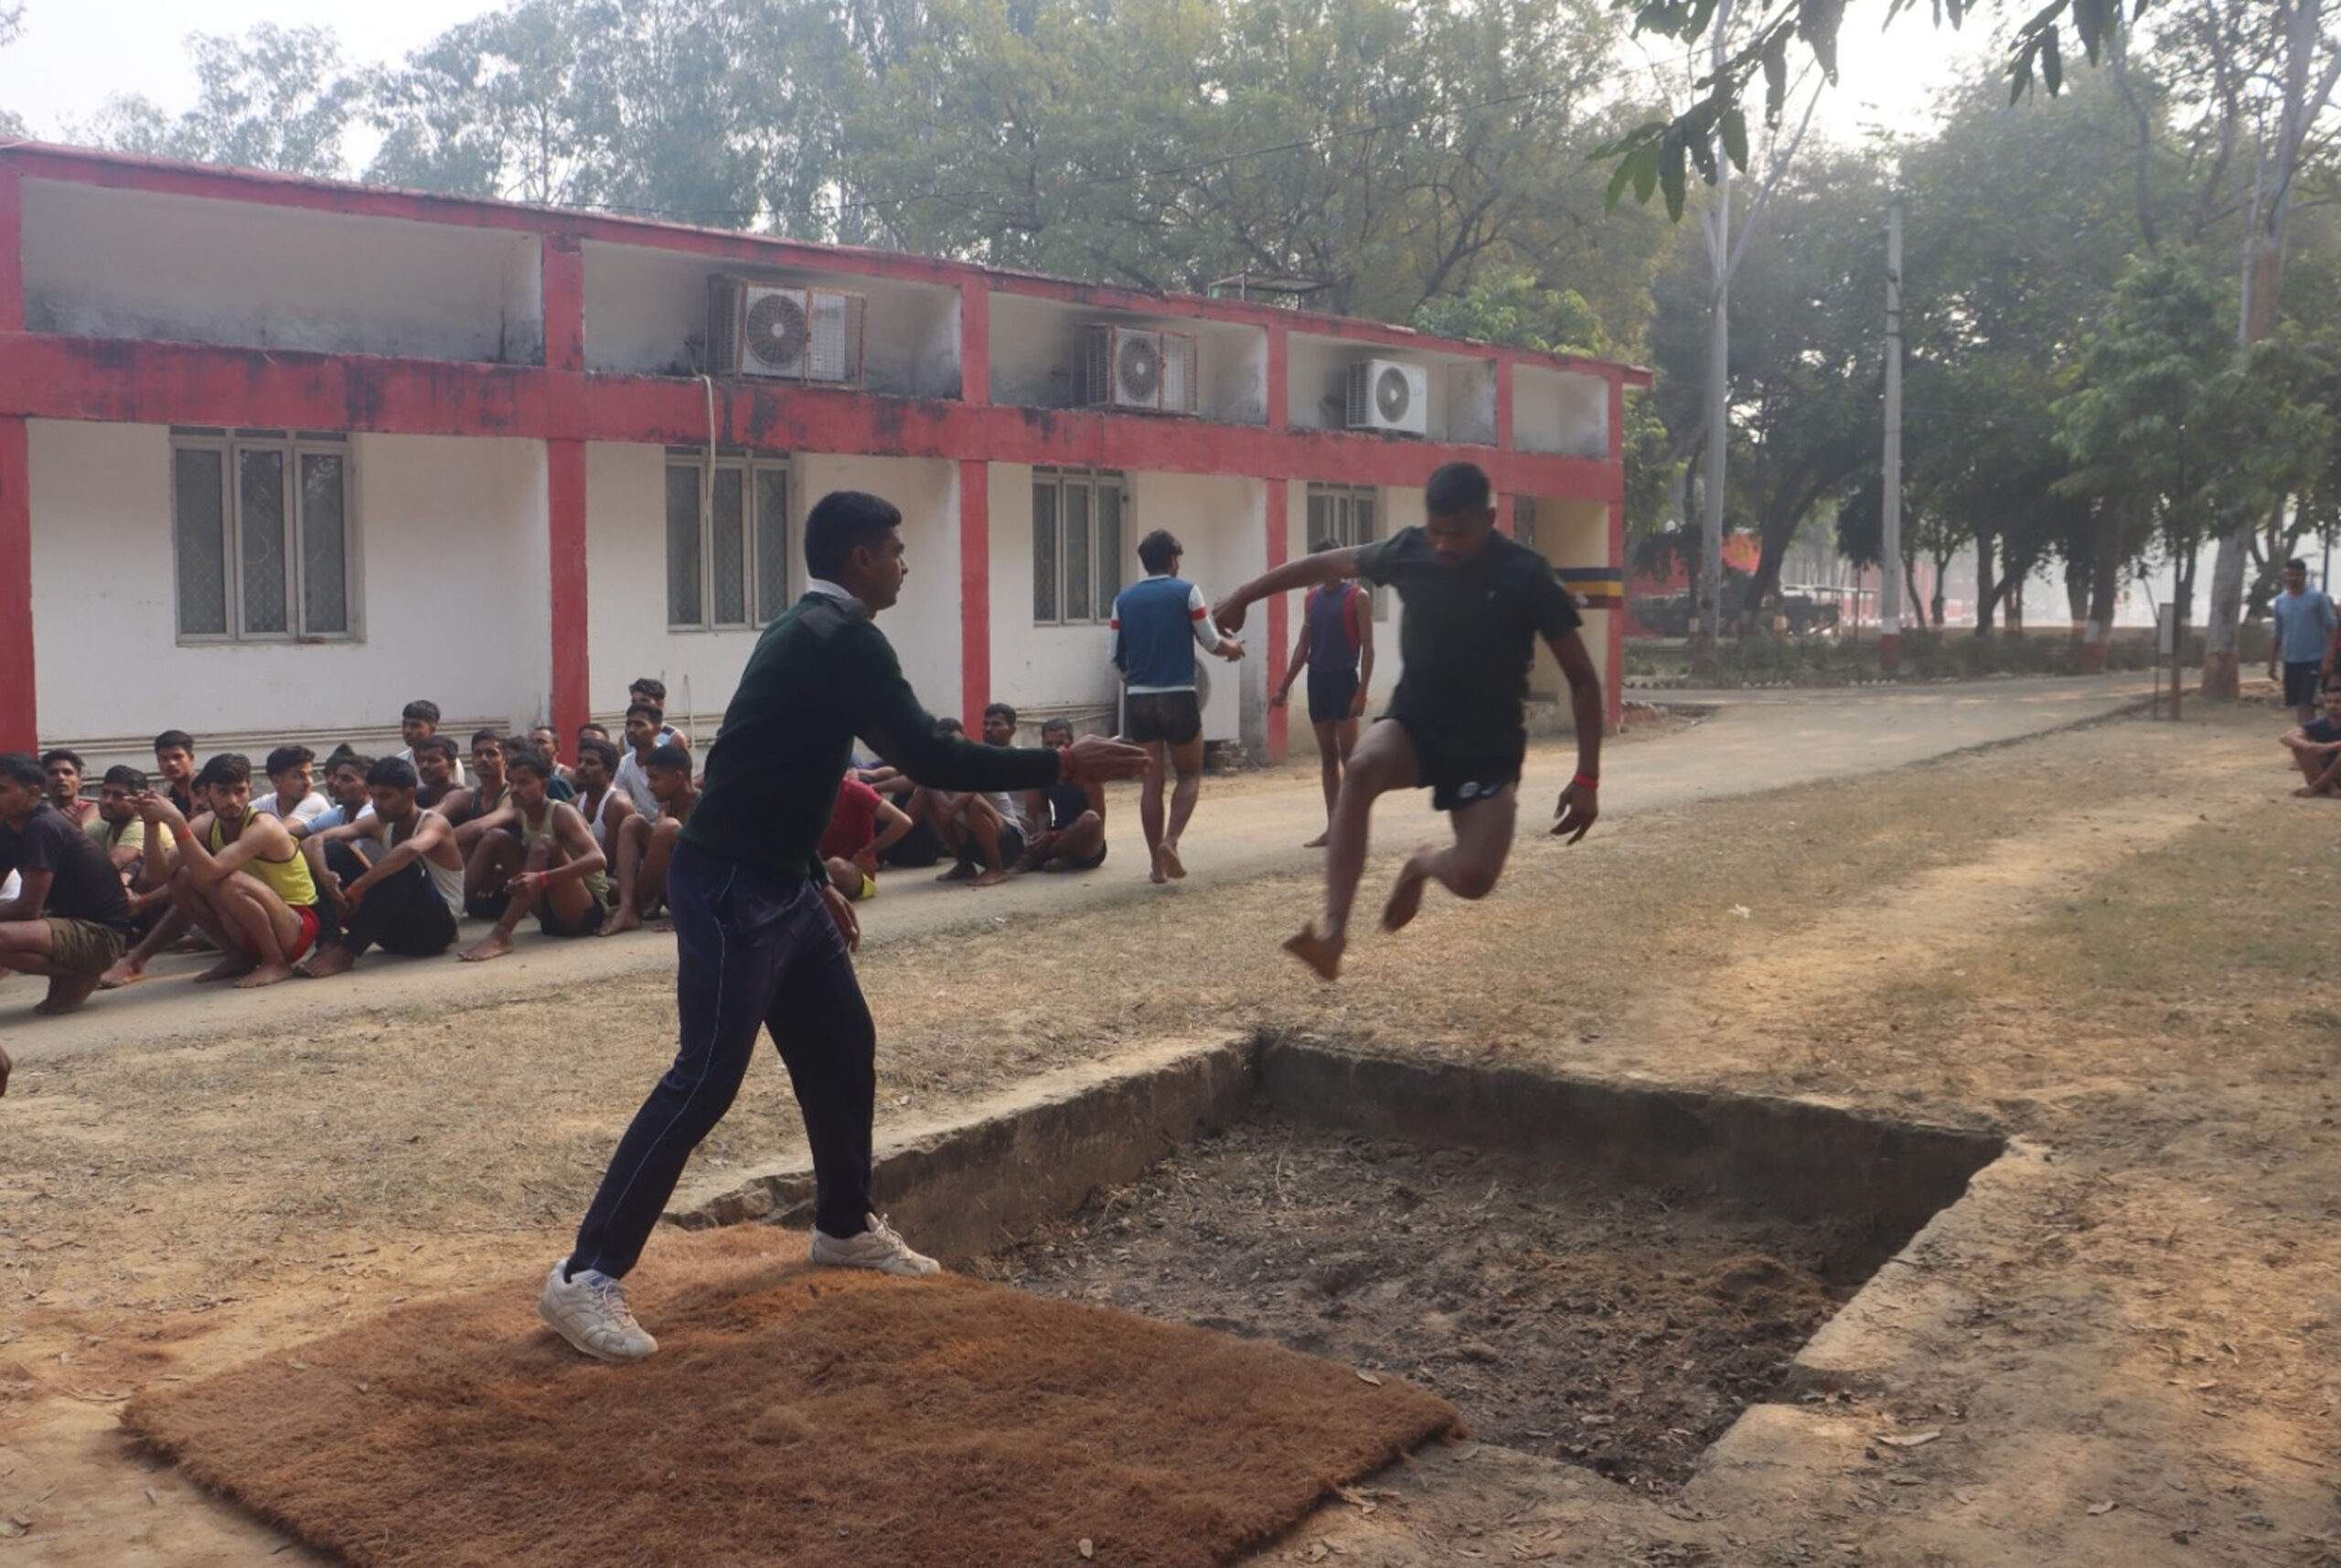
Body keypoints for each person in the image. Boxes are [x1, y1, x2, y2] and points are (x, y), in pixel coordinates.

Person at [538, 489, 1148, 1363]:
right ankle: (585, 1274)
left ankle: (844, 1223)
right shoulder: (843, 638)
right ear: (861, 558)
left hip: (780, 880)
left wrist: (810, 875)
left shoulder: (805, 629)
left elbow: (775, 766)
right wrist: (1062, 760)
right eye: (895, 549)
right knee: (706, 1076)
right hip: (733, 883)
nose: (905, 563)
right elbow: (928, 754)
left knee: (842, 1041)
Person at [1211, 462, 1601, 981]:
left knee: (1475, 877)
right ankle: (1332, 934)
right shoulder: (1410, 550)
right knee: (1361, 767)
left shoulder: (1526, 574)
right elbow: (1323, 564)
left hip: (1487, 747)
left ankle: (1422, 865)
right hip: (1416, 725)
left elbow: (1583, 679)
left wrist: (1587, 777)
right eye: (1436, 531)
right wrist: (1245, 593)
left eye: (1457, 533)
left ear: (1489, 519)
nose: (1443, 545)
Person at [1109, 528, 1245, 883]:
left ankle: (1156, 866)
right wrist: (1233, 649)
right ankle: (1170, 841)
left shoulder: (1123, 600)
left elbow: (1115, 657)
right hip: (1179, 696)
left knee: (1151, 783)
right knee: (1188, 775)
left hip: (1140, 699)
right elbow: (1210, 640)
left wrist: (1133, 681)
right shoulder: (1187, 592)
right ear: (1173, 560)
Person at [138, 753, 338, 987]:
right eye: (223, 792)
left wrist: (177, 822)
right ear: (207, 794)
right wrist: (151, 824)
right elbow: (156, 876)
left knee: (229, 881)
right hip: (249, 926)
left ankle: (276, 962)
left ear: (249, 791)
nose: (232, 800)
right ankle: (238, 956)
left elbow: (212, 872)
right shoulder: (205, 824)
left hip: (296, 926)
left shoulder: (265, 826)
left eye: (239, 791)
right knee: (182, 878)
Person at [0, 752, 136, 1015]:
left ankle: (82, 973)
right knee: (52, 1009)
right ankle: (71, 975)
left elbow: (28, 909)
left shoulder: (41, 826)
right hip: (65, 926)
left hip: (101, 936)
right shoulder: (7, 828)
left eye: (2, 790)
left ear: (32, 793)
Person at [299, 758, 465, 976]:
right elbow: (313, 841)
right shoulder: (378, 821)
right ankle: (329, 943)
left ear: (409, 795)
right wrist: (325, 875)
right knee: (333, 850)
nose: (376, 803)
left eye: (385, 796)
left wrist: (360, 886)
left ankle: (347, 952)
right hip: (389, 931)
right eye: (373, 795)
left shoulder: (434, 823)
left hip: (434, 932)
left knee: (407, 867)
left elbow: (411, 849)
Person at [459, 748, 610, 961]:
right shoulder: (521, 812)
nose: (515, 789)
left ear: (544, 786)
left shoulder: (562, 813)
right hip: (548, 911)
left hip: (583, 913)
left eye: (524, 783)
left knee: (543, 844)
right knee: (495, 838)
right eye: (511, 782)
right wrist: (500, 875)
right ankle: (450, 920)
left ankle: (502, 934)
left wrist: (542, 879)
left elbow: (598, 859)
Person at [1273, 539, 1376, 848]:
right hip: (1318, 681)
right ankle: (1334, 827)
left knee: (1349, 757)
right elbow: (1304, 646)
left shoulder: (1358, 597)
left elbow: (1368, 647)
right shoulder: (1312, 598)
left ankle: (1354, 826)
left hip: (1345, 680)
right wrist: (1284, 685)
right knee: (1329, 756)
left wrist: (1362, 692)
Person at [604, 744, 697, 934]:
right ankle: (628, 906)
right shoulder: (668, 804)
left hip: (699, 896)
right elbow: (658, 849)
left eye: (654, 778)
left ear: (677, 777)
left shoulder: (703, 806)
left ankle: (634, 906)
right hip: (669, 891)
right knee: (633, 823)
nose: (649, 786)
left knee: (668, 829)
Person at [1021, 718, 1108, 871]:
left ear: (1071, 743)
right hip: (1055, 836)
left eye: (1060, 744)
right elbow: (1037, 814)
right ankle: (1055, 856)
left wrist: (1053, 836)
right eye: (1049, 744)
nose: (1055, 749)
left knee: (1090, 819)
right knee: (1020, 821)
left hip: (1087, 841)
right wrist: (1040, 836)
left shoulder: (1088, 773)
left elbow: (1098, 822)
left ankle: (1046, 857)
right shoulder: (1040, 772)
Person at [820, 771, 915, 901]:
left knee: (836, 866)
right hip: (821, 868)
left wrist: (866, 853)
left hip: (856, 872)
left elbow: (903, 822)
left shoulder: (855, 790)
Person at [2267, 559, 2338, 723]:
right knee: (2298, 703)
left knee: (2307, 702)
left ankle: (2310, 735)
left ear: (2304, 576)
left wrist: (2330, 657)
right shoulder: (2281, 601)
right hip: (2291, 660)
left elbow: (2332, 626)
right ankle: (2307, 733)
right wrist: (2272, 663)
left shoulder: (2317, 598)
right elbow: (2277, 633)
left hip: (2314, 659)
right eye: (2289, 574)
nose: (2292, 578)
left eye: (2297, 575)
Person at [572, 736, 637, 865]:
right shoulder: (574, 803)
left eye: (591, 763)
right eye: (580, 761)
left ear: (610, 771)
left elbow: (608, 862)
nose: (581, 767)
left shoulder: (617, 804)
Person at [251, 744, 332, 830]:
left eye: (310, 774)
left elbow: (280, 832)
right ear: (276, 781)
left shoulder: (316, 803)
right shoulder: (265, 804)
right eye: (298, 776)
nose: (308, 782)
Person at [2280, 683, 2341, 795]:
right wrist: (2308, 746)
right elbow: (2286, 737)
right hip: (2321, 775)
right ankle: (2331, 788)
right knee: (2298, 747)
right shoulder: (2321, 723)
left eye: (2338, 701)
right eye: (2329, 701)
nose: (2333, 705)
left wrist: (2326, 747)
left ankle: (2316, 788)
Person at [612, 702, 669, 820]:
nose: (631, 730)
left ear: (657, 730)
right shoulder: (624, 764)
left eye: (639, 725)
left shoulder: (669, 761)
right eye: (629, 724)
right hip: (641, 825)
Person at [397, 699, 467, 788]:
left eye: (415, 726)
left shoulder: (449, 763)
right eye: (405, 725)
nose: (408, 731)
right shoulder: (400, 762)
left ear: (432, 729)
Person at [41, 750, 97, 831]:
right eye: (53, 773)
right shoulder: (41, 816)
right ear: (43, 784)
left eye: (67, 772)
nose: (60, 777)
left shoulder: (93, 810)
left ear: (79, 782)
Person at [628, 678, 690, 750]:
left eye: (644, 701)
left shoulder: (674, 738)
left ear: (660, 704)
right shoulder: (627, 738)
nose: (638, 706)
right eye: (634, 702)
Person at [153, 730, 200, 818]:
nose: (171, 763)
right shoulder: (168, 793)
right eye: (164, 759)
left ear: (191, 758)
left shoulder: (201, 788)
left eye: (177, 757)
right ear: (159, 762)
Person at [412, 736, 462, 810]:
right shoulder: (416, 797)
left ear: (451, 765)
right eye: (421, 760)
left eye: (433, 760)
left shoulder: (464, 797)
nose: (424, 766)